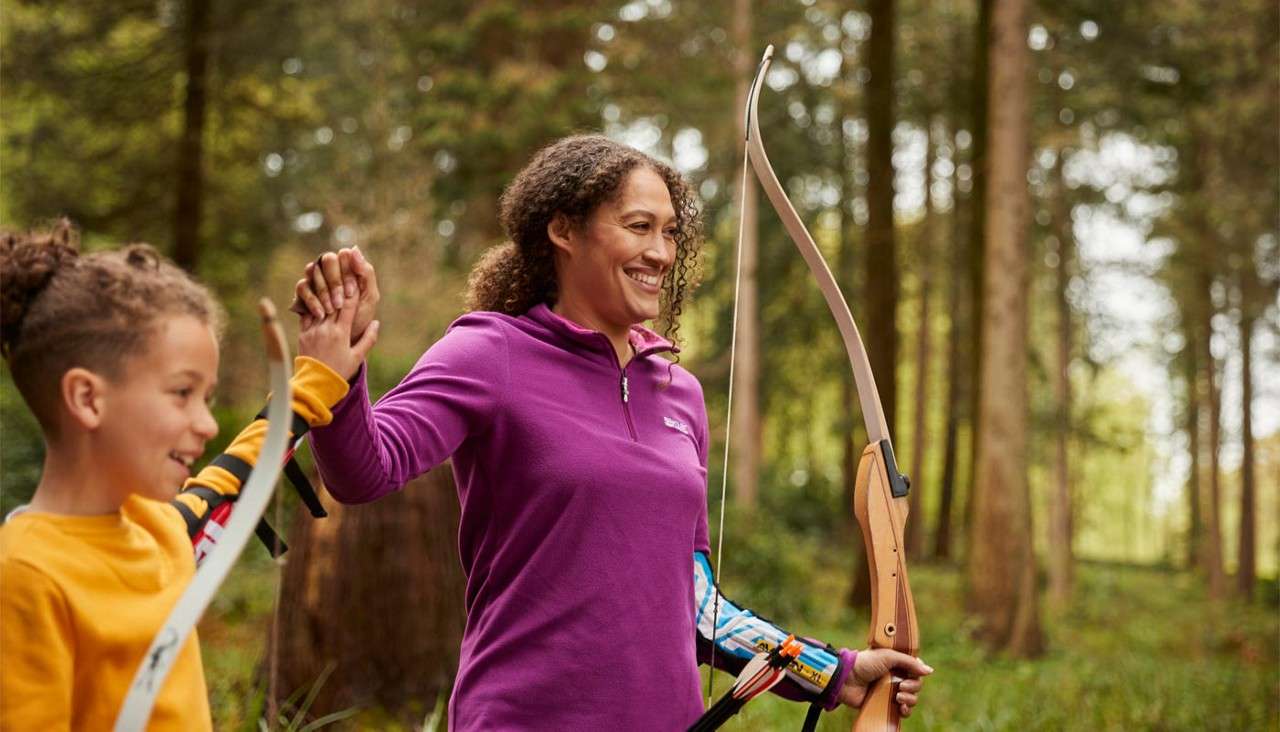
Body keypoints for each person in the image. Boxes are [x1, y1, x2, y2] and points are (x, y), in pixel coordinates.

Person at [292, 135, 931, 729]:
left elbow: (696, 601)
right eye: (638, 226)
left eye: (670, 232)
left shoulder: (678, 392)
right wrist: (338, 374)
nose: (660, 251)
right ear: (564, 230)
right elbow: (363, 472)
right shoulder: (490, 353)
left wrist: (834, 674)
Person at [0, 222, 364, 730]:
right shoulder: (25, 576)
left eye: (208, 398)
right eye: (181, 393)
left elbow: (235, 477)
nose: (208, 424)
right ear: (87, 398)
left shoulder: (160, 529)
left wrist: (316, 375)